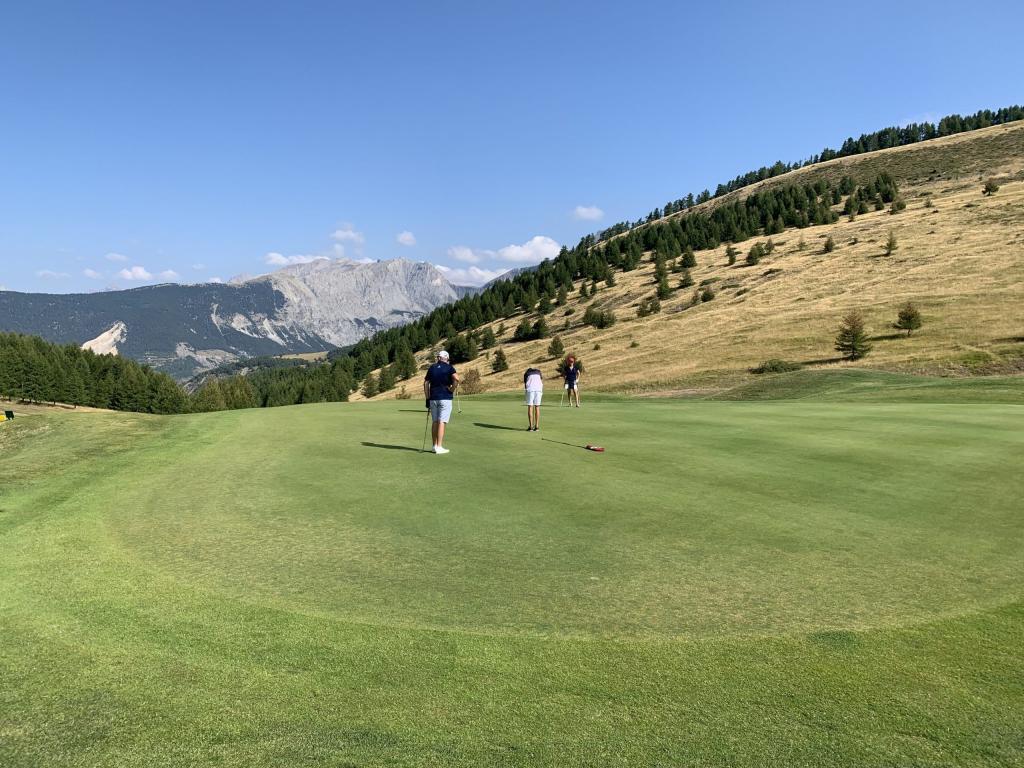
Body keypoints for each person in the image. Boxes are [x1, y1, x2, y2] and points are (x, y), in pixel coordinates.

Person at [423, 350, 459, 454]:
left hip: (433, 398)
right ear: (446, 358)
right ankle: (439, 447)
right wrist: (451, 390)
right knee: (441, 421)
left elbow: (426, 384)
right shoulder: (449, 367)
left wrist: (427, 398)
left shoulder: (432, 367)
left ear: (438, 358)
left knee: (435, 421)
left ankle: (434, 446)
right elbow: (456, 379)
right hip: (445, 398)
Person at [523, 366, 543, 431]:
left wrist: (526, 391)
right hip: (538, 389)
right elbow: (541, 380)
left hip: (530, 390)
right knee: (537, 407)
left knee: (530, 406)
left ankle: (531, 427)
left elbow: (525, 384)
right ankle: (537, 427)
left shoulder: (526, 373)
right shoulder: (538, 372)